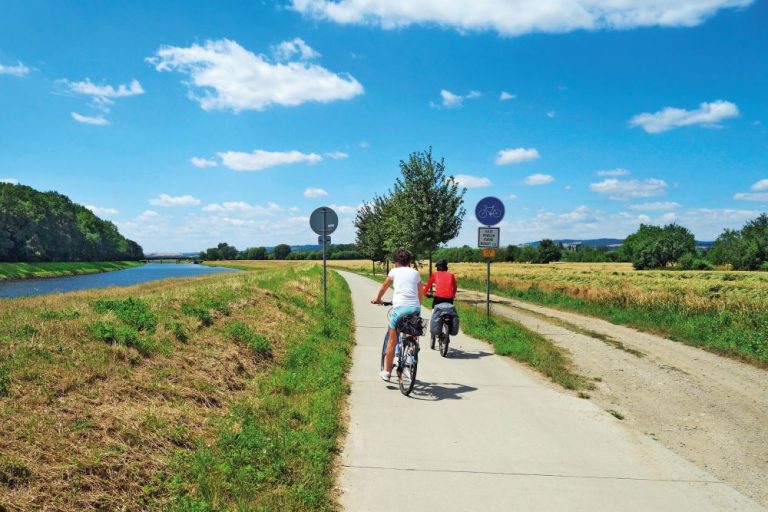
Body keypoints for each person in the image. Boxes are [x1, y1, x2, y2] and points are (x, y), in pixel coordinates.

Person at [372, 249, 424, 382]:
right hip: (415, 308)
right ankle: (411, 354)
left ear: (396, 262)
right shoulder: (415, 273)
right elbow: (420, 292)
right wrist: (417, 305)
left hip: (399, 308)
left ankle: (387, 372)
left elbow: (384, 287)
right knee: (411, 331)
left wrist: (378, 299)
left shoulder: (394, 271)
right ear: (409, 262)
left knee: (392, 340)